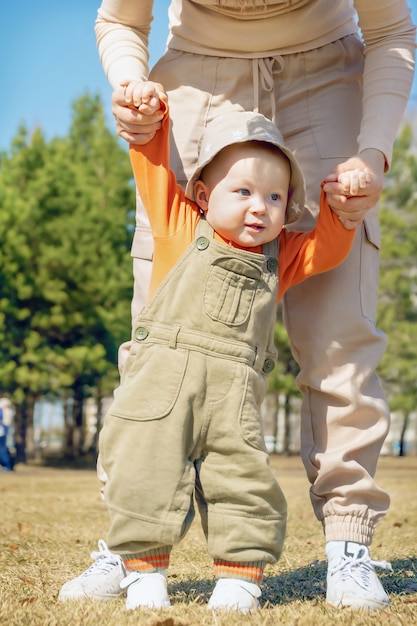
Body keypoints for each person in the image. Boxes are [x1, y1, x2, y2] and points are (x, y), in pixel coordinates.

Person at [58, 0, 416, 611]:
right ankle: (129, 547)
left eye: (269, 201)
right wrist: (134, 96)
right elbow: (120, 20)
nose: (258, 209)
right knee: (153, 355)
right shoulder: (185, 205)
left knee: (339, 334)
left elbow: (392, 29)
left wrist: (370, 159)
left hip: (328, 73)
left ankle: (348, 546)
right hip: (199, 76)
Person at [76, 82, 363, 612]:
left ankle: (239, 578)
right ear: (204, 197)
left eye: (276, 198)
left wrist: (340, 207)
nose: (261, 208)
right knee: (143, 470)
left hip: (234, 400)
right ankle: (143, 576)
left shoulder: (281, 257)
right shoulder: (179, 224)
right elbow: (151, 163)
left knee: (243, 481)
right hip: (160, 389)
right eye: (244, 192)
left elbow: (327, 248)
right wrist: (150, 114)